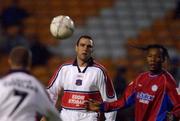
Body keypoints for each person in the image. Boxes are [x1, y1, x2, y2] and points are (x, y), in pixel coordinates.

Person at [86, 44, 180, 121]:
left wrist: (174, 116)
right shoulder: (141, 78)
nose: (152, 59)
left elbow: (178, 105)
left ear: (163, 59)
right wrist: (102, 106)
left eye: (157, 57)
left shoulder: (167, 81)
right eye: (150, 56)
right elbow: (123, 102)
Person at [47, 35, 117, 121]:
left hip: (89, 117)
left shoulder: (99, 71)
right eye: (82, 45)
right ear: (76, 48)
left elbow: (111, 101)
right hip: (65, 117)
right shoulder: (64, 69)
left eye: (89, 46)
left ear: (92, 50)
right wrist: (46, 115)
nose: (85, 48)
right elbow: (51, 93)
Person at [0, 46, 61, 121]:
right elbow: (53, 116)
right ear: (29, 62)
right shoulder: (37, 86)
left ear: (10, 61)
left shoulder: (2, 83)